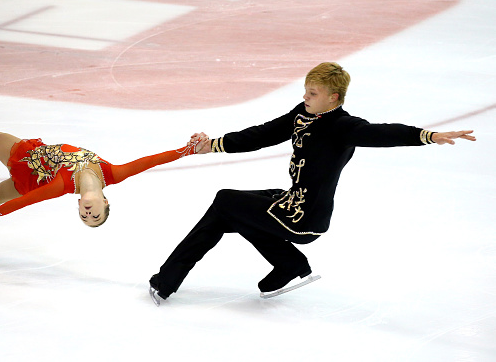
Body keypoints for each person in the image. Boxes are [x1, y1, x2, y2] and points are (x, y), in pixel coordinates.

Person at [148, 62, 476, 306]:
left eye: (313, 93)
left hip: (305, 217)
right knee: (231, 211)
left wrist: (427, 136)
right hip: (292, 202)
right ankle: (287, 265)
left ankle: (168, 280)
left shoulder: (343, 126)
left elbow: (382, 132)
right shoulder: (302, 114)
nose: (305, 96)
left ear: (334, 97)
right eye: (305, 90)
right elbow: (262, 134)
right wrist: (214, 144)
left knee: (226, 201)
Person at [0, 98, 199, 260]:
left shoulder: (65, 185)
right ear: (105, 201)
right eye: (96, 216)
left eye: (85, 217)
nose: (89, 214)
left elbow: (29, 200)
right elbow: (150, 161)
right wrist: (185, 150)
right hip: (35, 163)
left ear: (79, 206)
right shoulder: (112, 174)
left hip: (27, 163)